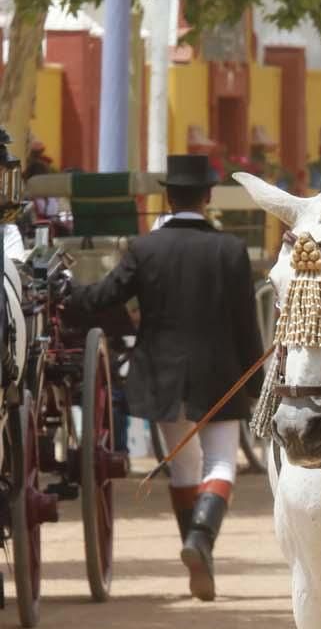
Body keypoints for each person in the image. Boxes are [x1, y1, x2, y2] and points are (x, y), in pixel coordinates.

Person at [64, 154, 263, 602]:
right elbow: (246, 324)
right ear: (208, 197)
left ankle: (194, 541)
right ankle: (201, 541)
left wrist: (67, 294)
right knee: (221, 464)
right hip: (219, 372)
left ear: (167, 198)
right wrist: (256, 380)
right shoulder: (230, 251)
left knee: (184, 465)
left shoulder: (144, 249)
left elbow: (103, 296)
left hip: (162, 372)